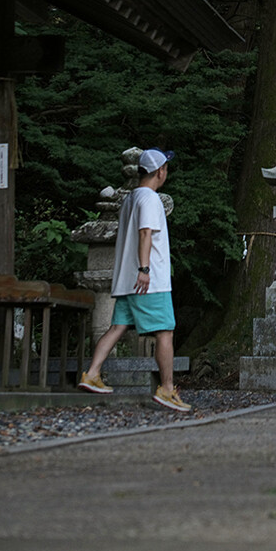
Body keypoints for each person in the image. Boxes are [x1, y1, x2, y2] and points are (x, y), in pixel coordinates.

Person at [78, 148, 191, 412]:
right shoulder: (150, 199)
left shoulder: (130, 199)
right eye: (165, 168)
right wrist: (145, 269)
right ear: (160, 171)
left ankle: (92, 374)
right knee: (165, 331)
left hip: (127, 279)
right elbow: (145, 234)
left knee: (117, 327)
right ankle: (166, 389)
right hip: (149, 281)